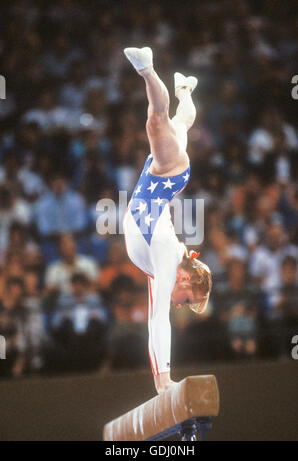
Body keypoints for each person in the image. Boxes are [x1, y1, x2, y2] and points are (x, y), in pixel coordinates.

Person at [122, 47, 212, 394]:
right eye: (186, 301)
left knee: (181, 123)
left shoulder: (162, 265)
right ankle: (147, 68)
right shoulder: (166, 257)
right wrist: (163, 382)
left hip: (159, 178)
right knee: (156, 120)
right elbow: (158, 319)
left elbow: (157, 312)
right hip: (167, 174)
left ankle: (185, 90)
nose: (180, 305)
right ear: (187, 282)